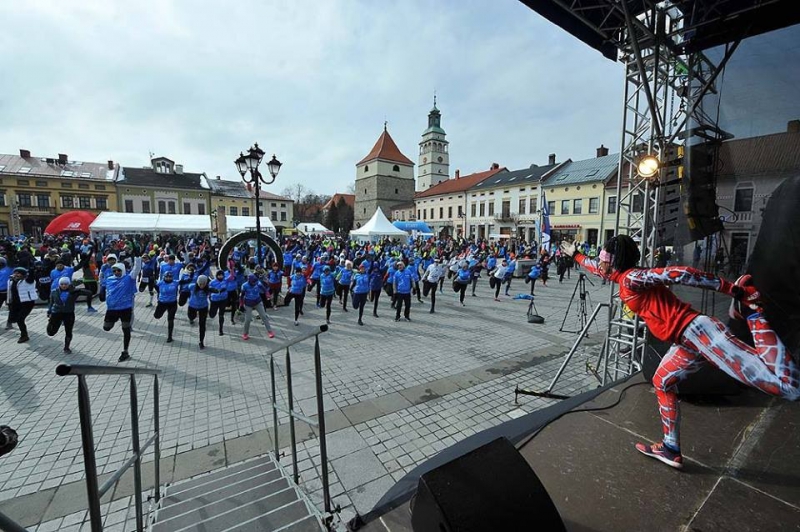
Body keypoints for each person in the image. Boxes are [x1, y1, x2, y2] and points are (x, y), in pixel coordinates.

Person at [561, 236, 799, 469]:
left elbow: (682, 273)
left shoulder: (633, 278)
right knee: (662, 382)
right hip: (685, 341)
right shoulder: (623, 276)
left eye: (603, 258)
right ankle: (670, 448)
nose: (600, 262)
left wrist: (733, 289)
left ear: (614, 261)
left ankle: (753, 311)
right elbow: (598, 270)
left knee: (789, 388)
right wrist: (576, 255)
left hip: (699, 333)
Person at [99, 254, 142, 362]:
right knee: (106, 328)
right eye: (114, 271)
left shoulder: (129, 278)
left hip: (125, 309)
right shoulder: (109, 279)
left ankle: (125, 351)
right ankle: (115, 321)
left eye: (118, 270)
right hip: (112, 309)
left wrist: (137, 257)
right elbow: (103, 284)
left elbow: (136, 269)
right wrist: (101, 292)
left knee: (125, 329)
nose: (116, 272)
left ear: (122, 270)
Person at [47, 277, 91, 353]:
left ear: (69, 284)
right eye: (62, 284)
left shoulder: (73, 292)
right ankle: (54, 324)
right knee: (51, 332)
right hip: (56, 313)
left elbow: (89, 293)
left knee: (68, 331)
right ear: (59, 284)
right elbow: (51, 302)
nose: (64, 286)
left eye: (66, 284)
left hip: (69, 313)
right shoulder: (54, 291)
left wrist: (77, 290)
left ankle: (66, 347)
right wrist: (49, 311)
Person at [240, 273, 276, 339]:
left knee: (264, 316)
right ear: (249, 281)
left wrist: (267, 294)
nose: (255, 283)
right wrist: (241, 305)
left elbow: (265, 289)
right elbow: (241, 296)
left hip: (258, 302)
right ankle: (245, 334)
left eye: (255, 281)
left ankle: (270, 331)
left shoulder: (258, 283)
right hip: (248, 304)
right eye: (253, 282)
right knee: (247, 319)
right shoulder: (244, 286)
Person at [7, 267, 37, 343]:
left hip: (27, 302)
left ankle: (24, 336)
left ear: (23, 274)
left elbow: (31, 275)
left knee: (20, 319)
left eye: (18, 273)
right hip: (16, 303)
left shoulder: (27, 280)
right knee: (16, 319)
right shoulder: (11, 281)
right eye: (15, 273)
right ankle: (23, 334)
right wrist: (9, 301)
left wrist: (30, 267)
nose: (16, 274)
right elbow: (10, 293)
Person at [154, 270, 179, 343]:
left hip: (172, 303)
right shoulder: (160, 283)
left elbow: (185, 281)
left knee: (170, 319)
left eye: (170, 277)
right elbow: (156, 288)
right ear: (164, 277)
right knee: (157, 316)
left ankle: (169, 336)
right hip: (162, 303)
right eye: (167, 277)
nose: (168, 278)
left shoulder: (175, 283)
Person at [209, 269, 233, 337]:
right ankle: (212, 312)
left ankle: (220, 329)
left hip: (223, 300)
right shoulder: (212, 282)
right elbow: (209, 290)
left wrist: (231, 268)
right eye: (219, 275)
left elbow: (231, 276)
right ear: (216, 275)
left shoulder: (225, 281)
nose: (220, 276)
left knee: (221, 315)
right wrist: (211, 296)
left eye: (222, 275)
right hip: (214, 301)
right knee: (212, 315)